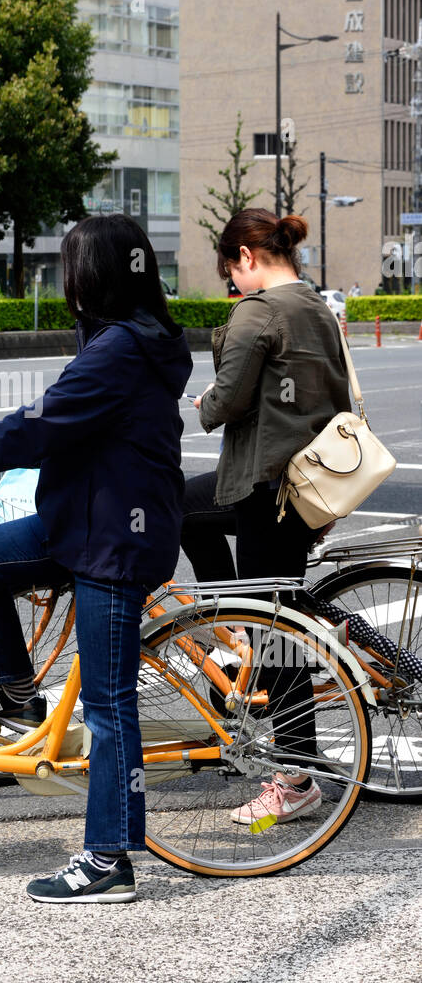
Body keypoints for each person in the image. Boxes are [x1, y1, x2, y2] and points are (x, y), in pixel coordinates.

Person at [0, 216, 192, 903]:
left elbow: (43, 425)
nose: (62, 279)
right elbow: (59, 416)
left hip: (114, 542)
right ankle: (15, 690)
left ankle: (107, 862)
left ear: (86, 275)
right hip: (80, 523)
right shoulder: (132, 333)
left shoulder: (120, 346)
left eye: (68, 266)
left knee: (106, 704)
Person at [181, 209, 351, 826]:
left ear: (246, 258)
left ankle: (298, 778)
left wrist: (205, 403)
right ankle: (234, 624)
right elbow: (333, 399)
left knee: (273, 635)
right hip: (309, 487)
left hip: (264, 490)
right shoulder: (317, 308)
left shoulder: (257, 311)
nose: (232, 284)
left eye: (231, 271)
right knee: (278, 621)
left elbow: (224, 402)